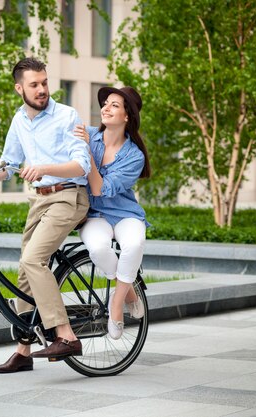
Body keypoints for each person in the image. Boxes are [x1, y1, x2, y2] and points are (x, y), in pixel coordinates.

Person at [0, 57, 90, 373]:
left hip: (69, 196)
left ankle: (66, 335)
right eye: (34, 85)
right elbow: (9, 162)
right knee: (25, 273)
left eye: (44, 82)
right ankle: (24, 351)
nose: (41, 89)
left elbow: (81, 165)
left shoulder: (68, 116)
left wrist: (43, 168)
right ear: (19, 88)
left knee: (33, 260)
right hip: (39, 202)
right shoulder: (19, 121)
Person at [73, 86, 151, 340]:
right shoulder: (89, 136)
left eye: (114, 105)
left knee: (134, 243)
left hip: (125, 213)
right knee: (97, 249)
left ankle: (116, 305)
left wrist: (86, 152)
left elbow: (98, 186)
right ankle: (129, 292)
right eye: (105, 103)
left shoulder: (134, 156)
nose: (105, 108)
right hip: (94, 214)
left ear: (127, 116)